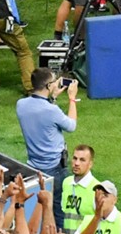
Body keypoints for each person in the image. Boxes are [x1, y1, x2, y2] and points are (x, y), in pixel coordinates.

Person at [16, 67, 79, 205]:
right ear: (48, 86)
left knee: (38, 206)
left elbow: (42, 115)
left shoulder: (21, 104)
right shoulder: (51, 110)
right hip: (54, 168)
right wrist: (72, 99)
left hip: (33, 165)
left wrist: (53, 98)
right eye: (54, 81)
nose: (57, 83)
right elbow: (71, 126)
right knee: (58, 207)